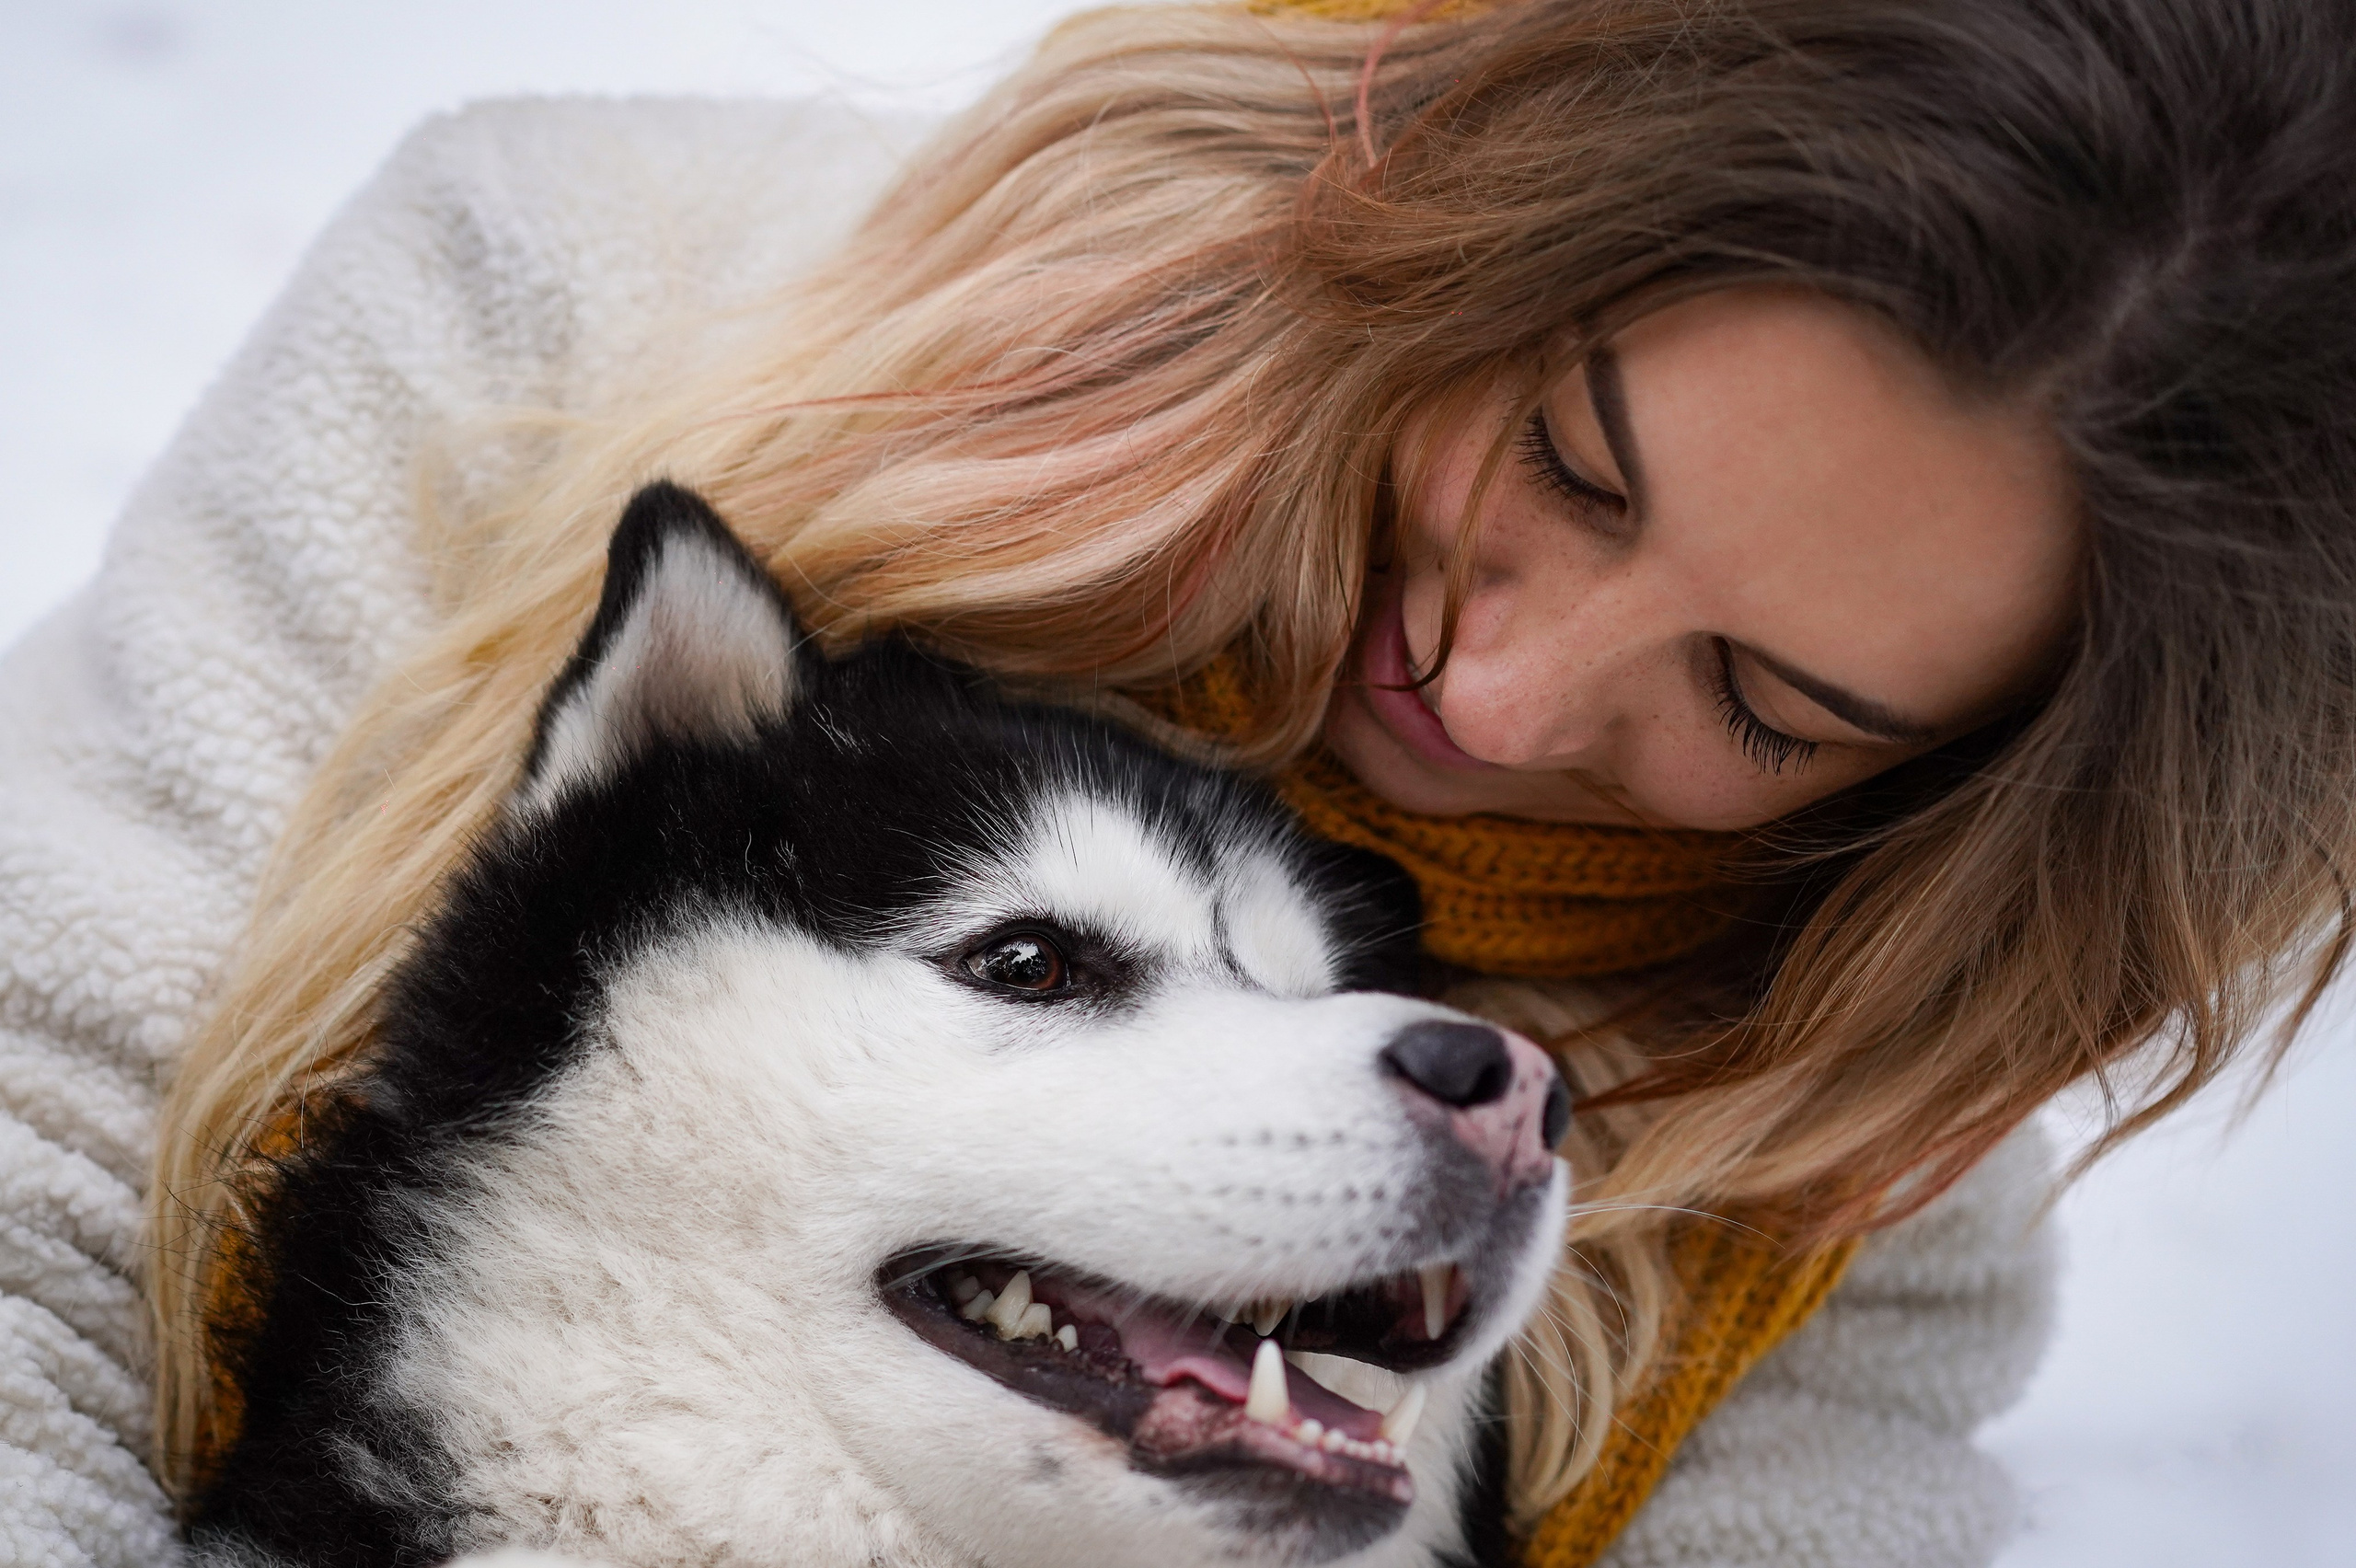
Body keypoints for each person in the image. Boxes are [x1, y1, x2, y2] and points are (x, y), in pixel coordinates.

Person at [1, 0, 2349, 1562]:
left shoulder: (1836, 1125)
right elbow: (32, 1171)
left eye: (1766, 705)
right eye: (1563, 460)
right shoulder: (570, 301)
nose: (1506, 696)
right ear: (1472, 222)